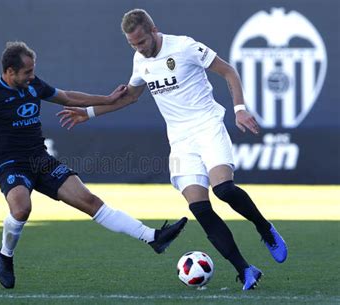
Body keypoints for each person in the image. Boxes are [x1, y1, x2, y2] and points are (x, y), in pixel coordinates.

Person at [57, 9, 288, 290]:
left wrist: (239, 110)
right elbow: (130, 96)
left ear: (154, 30)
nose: (139, 48)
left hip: (207, 126)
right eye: (133, 45)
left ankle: (265, 228)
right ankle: (246, 269)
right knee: (200, 208)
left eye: (142, 42)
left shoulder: (185, 46)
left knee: (224, 190)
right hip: (180, 140)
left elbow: (228, 71)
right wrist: (89, 113)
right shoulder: (140, 60)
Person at [0, 41, 187, 289]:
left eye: (33, 70)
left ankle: (153, 237)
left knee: (90, 201)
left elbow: (67, 97)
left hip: (40, 159)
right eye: (27, 72)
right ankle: (5, 255)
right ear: (10, 72)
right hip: (12, 164)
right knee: (22, 209)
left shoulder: (33, 85)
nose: (32, 76)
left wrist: (108, 99)